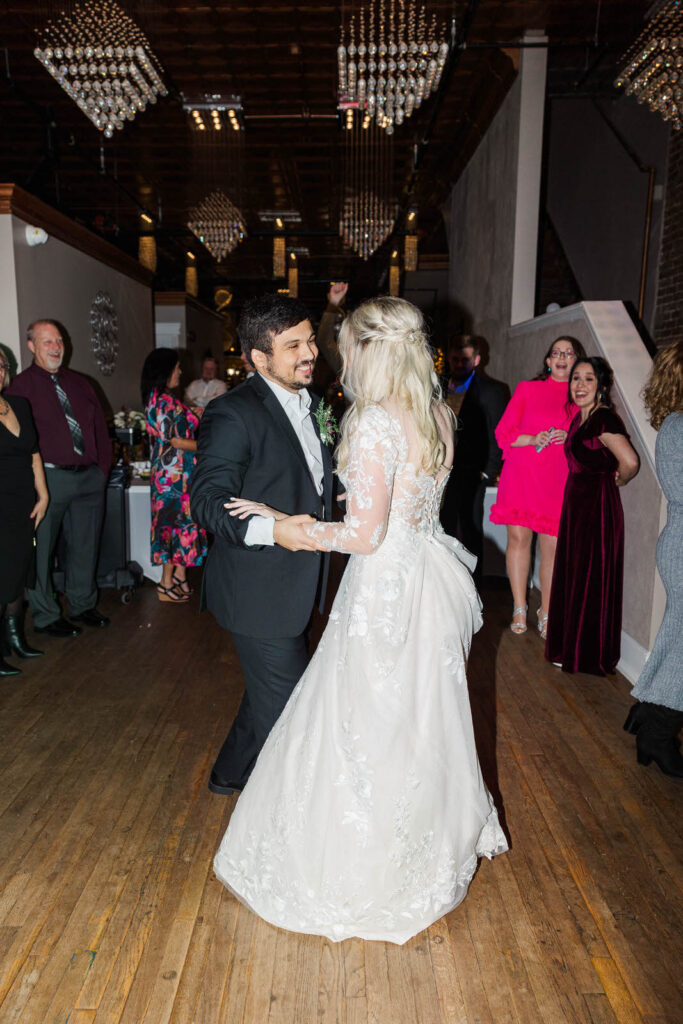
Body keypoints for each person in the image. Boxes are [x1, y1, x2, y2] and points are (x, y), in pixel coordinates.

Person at [214, 296, 508, 945]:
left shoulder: (375, 420)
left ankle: (361, 865)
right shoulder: (438, 411)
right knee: (413, 720)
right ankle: (418, 846)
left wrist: (289, 526)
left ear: (371, 350)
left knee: (360, 724)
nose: (337, 358)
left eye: (346, 346)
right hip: (430, 577)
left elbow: (366, 536)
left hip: (384, 589)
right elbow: (413, 505)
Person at [190, 294, 335, 796]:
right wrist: (275, 530)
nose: (309, 351)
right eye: (293, 344)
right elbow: (206, 502)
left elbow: (317, 480)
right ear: (257, 357)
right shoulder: (231, 412)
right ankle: (295, 825)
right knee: (296, 711)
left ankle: (229, 775)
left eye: (310, 338)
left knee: (268, 694)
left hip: (300, 585)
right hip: (256, 589)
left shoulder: (317, 404)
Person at [6, 320, 111, 636]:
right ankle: (46, 615)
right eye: (47, 341)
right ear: (31, 346)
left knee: (85, 546)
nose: (55, 347)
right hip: (48, 481)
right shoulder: (19, 389)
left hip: (88, 479)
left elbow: (100, 431)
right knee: (41, 551)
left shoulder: (82, 384)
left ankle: (82, 604)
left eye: (59, 341)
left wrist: (101, 471)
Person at [545, 357, 639, 675]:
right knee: (574, 576)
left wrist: (620, 480)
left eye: (588, 379)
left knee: (590, 577)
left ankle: (586, 655)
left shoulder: (604, 420)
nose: (580, 385)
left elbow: (629, 461)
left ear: (601, 385)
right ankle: (569, 646)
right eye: (576, 379)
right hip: (577, 507)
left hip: (597, 509)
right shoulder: (579, 419)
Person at [489, 336, 585, 637]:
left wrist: (568, 436)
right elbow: (504, 432)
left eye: (568, 353)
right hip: (521, 474)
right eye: (556, 352)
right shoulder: (527, 389)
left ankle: (547, 611)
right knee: (518, 540)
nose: (561, 357)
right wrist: (533, 438)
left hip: (556, 479)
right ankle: (519, 607)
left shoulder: (582, 398)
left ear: (576, 361)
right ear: (547, 360)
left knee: (552, 548)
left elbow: (591, 441)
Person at [625, 341, 683, 777]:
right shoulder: (679, 426)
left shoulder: (676, 425)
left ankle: (649, 719)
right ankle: (657, 731)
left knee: (677, 636)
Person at [141, 349, 207, 602]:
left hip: (180, 474)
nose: (180, 371)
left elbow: (177, 427)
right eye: (177, 367)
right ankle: (165, 584)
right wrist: (209, 448)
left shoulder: (166, 399)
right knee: (172, 526)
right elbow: (176, 440)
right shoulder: (161, 400)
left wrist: (193, 414)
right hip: (172, 478)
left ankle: (179, 576)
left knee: (185, 525)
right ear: (165, 371)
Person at [440, 334, 507, 579]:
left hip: (473, 472)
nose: (459, 364)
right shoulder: (438, 387)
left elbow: (498, 433)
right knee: (441, 527)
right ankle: (446, 581)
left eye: (465, 359)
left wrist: (488, 471)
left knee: (470, 530)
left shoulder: (492, 391)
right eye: (455, 358)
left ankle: (471, 586)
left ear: (477, 359)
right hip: (440, 471)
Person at [0, 353, 49, 676]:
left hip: (23, 504)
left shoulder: (18, 404)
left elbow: (34, 453)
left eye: (1, 365)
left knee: (18, 572)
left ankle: (15, 639)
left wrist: (43, 495)